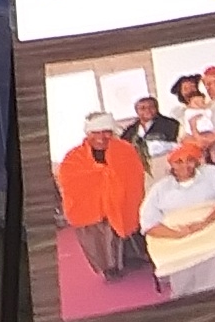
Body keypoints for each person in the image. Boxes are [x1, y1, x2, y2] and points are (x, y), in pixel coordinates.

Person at [56, 111, 149, 282]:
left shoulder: (125, 150)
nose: (101, 137)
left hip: (120, 200)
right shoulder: (73, 157)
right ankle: (109, 268)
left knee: (126, 225)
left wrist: (118, 191)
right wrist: (100, 180)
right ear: (88, 133)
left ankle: (132, 258)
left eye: (106, 131)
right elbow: (68, 180)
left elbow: (135, 174)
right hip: (91, 206)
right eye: (95, 132)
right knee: (100, 234)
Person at [138, 137, 215, 297]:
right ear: (171, 164)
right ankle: (183, 297)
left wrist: (202, 224)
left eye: (190, 160)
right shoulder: (160, 188)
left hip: (209, 225)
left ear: (197, 161)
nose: (185, 166)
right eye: (179, 161)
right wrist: (177, 234)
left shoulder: (212, 173)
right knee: (173, 253)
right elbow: (148, 222)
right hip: (174, 233)